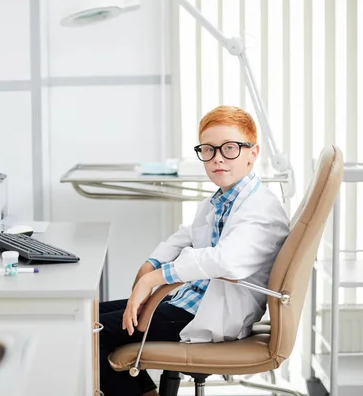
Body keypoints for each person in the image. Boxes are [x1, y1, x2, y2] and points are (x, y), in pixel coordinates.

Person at [98, 105, 290, 396]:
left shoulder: (261, 210)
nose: (217, 159)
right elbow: (188, 234)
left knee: (90, 333)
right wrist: (151, 264)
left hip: (207, 315)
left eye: (229, 148)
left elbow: (226, 261)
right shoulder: (224, 198)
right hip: (190, 301)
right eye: (208, 150)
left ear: (253, 152)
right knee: (89, 316)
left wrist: (154, 280)